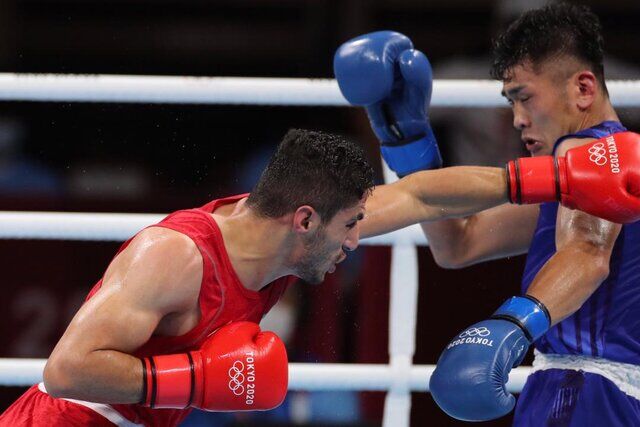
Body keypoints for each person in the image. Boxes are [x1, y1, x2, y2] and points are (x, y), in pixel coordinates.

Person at [334, 2, 640, 425]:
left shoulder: (590, 148)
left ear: (583, 89)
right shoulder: (579, 182)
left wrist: (512, 325)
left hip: (587, 391)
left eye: (524, 98)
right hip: (579, 386)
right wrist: (413, 148)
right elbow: (460, 243)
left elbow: (588, 252)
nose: (517, 119)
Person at [0, 128, 375, 426]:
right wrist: (197, 380)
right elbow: (67, 370)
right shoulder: (176, 254)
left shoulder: (288, 240)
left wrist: (405, 136)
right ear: (305, 220)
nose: (356, 240)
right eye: (350, 225)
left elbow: (412, 199)